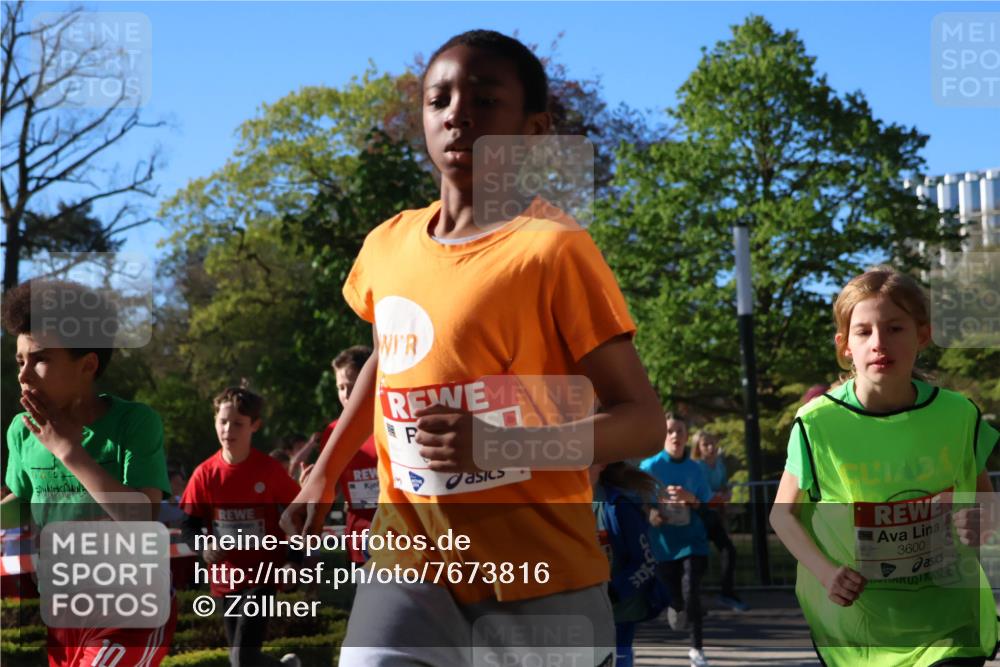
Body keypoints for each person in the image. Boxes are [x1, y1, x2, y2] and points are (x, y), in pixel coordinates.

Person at [280, 29, 665, 667]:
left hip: (541, 577)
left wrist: (500, 445)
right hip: (407, 564)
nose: (457, 113)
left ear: (534, 130)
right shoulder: (386, 245)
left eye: (484, 100)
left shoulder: (554, 249)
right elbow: (387, 358)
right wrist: (323, 471)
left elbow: (643, 422)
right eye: (440, 100)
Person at [769, 266, 999, 667]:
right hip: (860, 631)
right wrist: (826, 573)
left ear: (922, 335)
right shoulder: (817, 424)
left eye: (895, 328)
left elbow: (984, 498)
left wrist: (980, 519)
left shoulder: (958, 414)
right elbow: (782, 514)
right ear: (845, 345)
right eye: (864, 331)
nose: (879, 343)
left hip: (947, 623)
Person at [1, 279, 177, 667]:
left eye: (40, 359)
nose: (24, 375)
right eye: (20, 361)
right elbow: (22, 503)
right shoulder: (21, 430)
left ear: (88, 365)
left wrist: (67, 449)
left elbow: (141, 518)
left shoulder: (135, 423)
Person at [180, 385, 302, 667]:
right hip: (226, 577)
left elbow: (298, 517)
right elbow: (189, 525)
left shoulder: (270, 471)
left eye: (237, 423)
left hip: (264, 574)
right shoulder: (205, 474)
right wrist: (204, 546)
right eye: (222, 422)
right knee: (241, 660)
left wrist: (294, 560)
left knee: (242, 657)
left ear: (254, 426)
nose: (228, 430)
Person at [641, 413, 714, 667]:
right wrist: (652, 513)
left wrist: (689, 497)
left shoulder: (696, 468)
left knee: (691, 589)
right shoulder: (649, 468)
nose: (675, 436)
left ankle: (697, 649)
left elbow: (705, 502)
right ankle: (675, 604)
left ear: (686, 436)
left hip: (693, 541)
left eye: (680, 431)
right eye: (670, 431)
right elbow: (639, 504)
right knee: (677, 596)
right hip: (664, 545)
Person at [591, 462, 670, 667]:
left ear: (600, 464)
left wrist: (614, 592)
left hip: (619, 611)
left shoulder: (619, 507)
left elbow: (645, 561)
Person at [316, 345, 378, 564]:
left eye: (352, 386)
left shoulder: (392, 424)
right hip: (358, 543)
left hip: (401, 539)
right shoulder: (333, 433)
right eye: (341, 387)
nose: (346, 395)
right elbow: (330, 487)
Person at [690, 429, 747, 612]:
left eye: (712, 443)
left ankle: (726, 593)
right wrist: (721, 497)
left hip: (714, 516)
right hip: (699, 516)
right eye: (705, 444)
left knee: (728, 550)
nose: (710, 447)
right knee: (698, 558)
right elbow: (706, 495)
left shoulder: (720, 464)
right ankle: (691, 598)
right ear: (698, 447)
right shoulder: (697, 466)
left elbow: (723, 487)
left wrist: (726, 496)